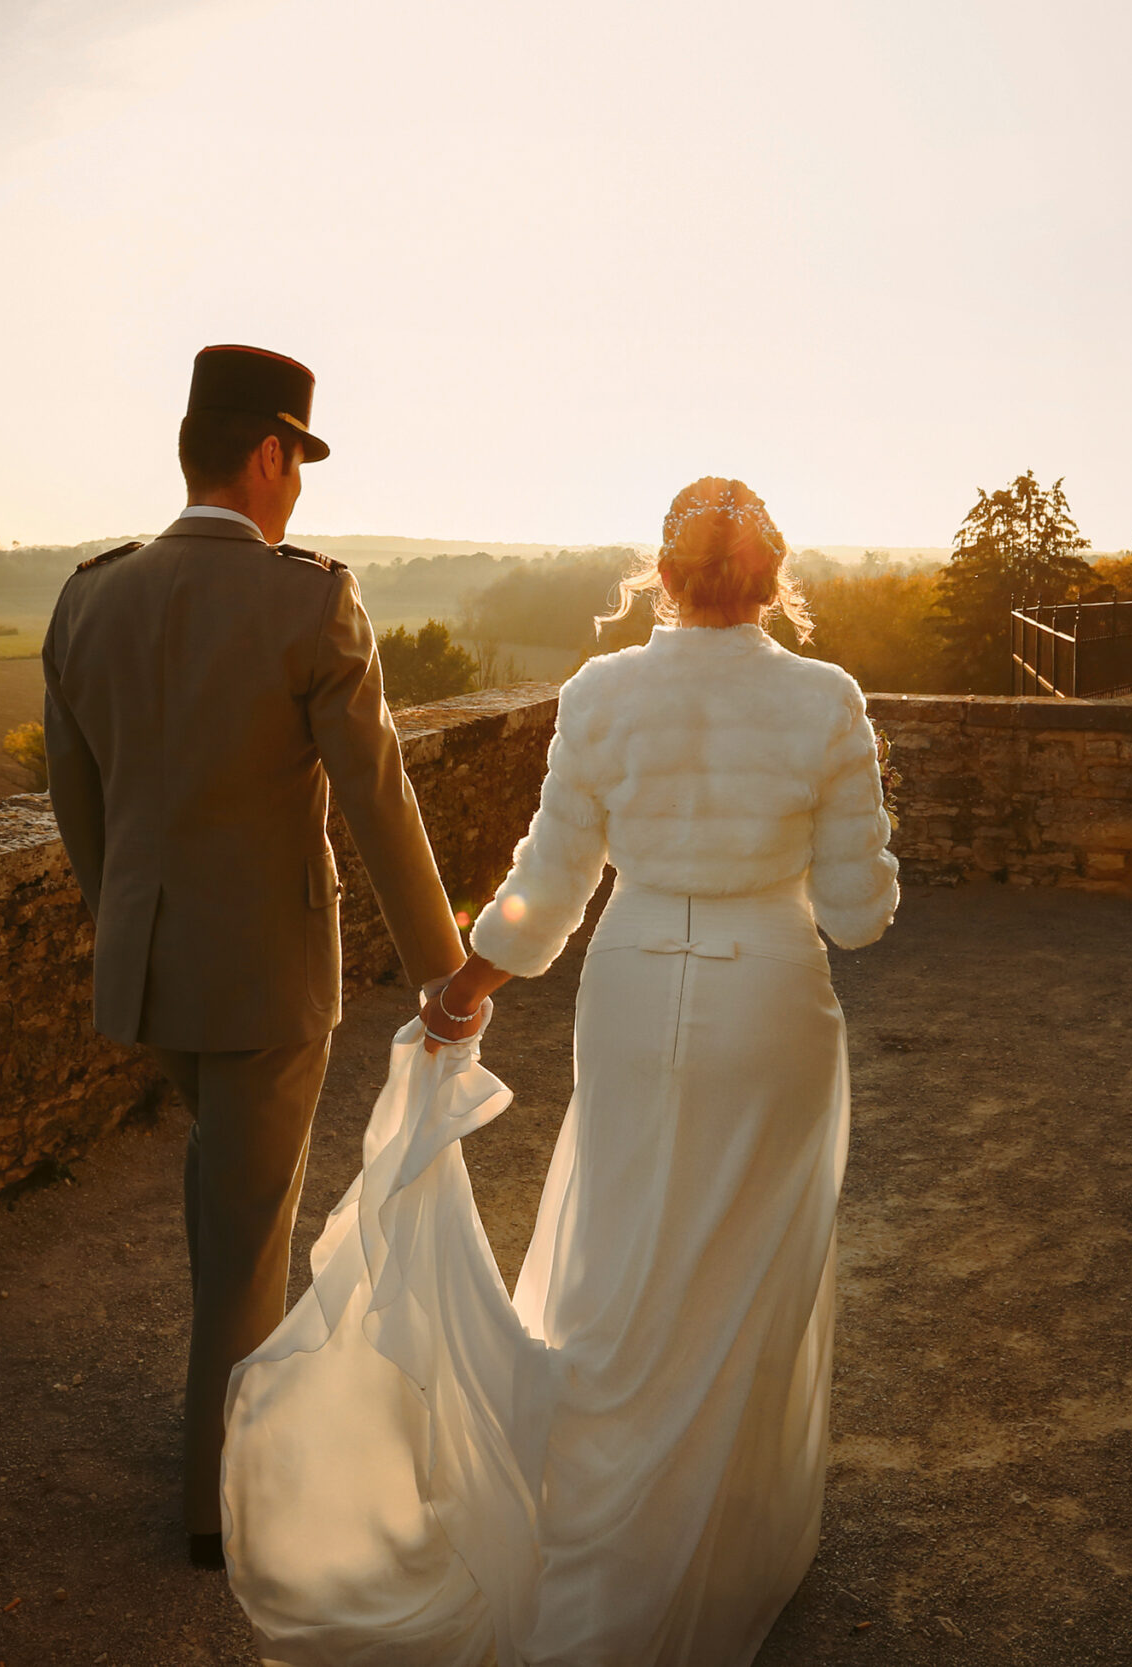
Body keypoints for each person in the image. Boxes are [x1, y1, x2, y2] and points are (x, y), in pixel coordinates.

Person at [221, 477, 899, 1666]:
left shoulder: (600, 693)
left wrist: (470, 983)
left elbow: (548, 881)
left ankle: (592, 1521)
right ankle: (724, 1543)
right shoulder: (827, 701)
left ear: (666, 573)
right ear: (772, 579)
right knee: (746, 1264)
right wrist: (864, 839)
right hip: (767, 1005)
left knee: (620, 1260)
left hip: (633, 989)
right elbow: (857, 917)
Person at [39, 344, 469, 1573]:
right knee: (243, 1236)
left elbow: (77, 798)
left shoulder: (88, 595)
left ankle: (226, 1426)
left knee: (220, 1201)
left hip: (149, 970)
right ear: (269, 454)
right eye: (299, 464)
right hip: (269, 979)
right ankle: (220, 1505)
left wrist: (124, 919)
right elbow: (376, 792)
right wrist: (442, 964)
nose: (299, 493)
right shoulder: (307, 599)